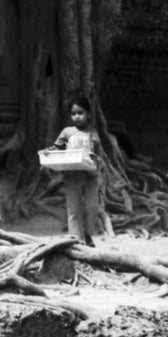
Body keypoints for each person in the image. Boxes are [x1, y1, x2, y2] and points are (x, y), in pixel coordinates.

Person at [52, 96, 104, 245]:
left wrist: (97, 164)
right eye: (73, 113)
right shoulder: (67, 132)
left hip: (90, 176)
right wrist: (48, 153)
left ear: (88, 114)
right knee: (73, 210)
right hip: (72, 176)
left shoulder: (93, 134)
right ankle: (75, 240)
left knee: (92, 207)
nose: (77, 116)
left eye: (80, 113)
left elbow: (99, 155)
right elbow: (57, 148)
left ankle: (88, 234)